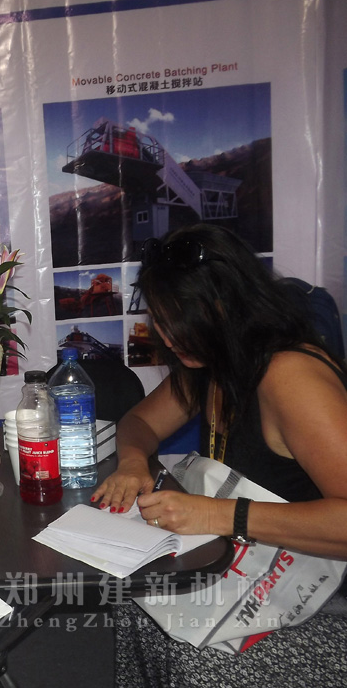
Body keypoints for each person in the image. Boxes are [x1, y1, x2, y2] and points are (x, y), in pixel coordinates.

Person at [91, 223, 347, 686]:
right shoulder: (212, 358)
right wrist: (131, 463)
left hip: (319, 591)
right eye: (161, 320)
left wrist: (217, 515)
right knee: (136, 596)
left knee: (197, 657)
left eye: (179, 320)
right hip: (251, 561)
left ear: (230, 304)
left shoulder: (290, 377)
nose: (168, 337)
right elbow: (140, 422)